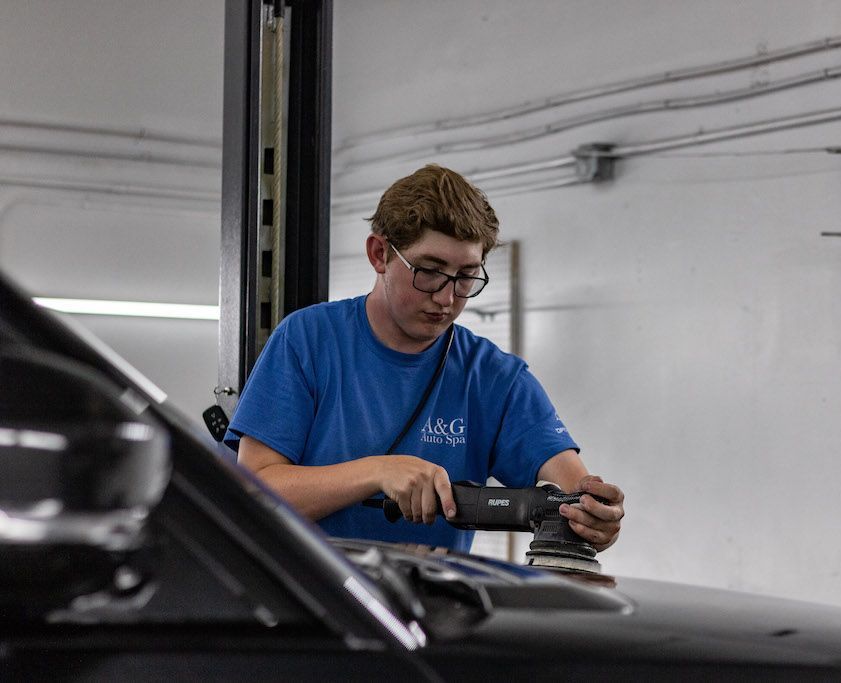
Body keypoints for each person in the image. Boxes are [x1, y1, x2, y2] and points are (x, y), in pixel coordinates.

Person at [226, 164, 624, 553]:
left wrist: (595, 516)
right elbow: (252, 490)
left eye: (467, 276)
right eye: (430, 271)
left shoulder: (494, 378)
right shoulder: (308, 341)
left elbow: (576, 489)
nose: (447, 298)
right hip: (314, 603)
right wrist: (378, 471)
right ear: (380, 254)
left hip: (428, 611)